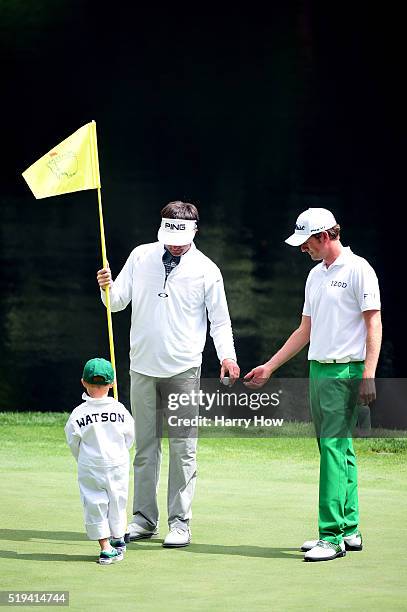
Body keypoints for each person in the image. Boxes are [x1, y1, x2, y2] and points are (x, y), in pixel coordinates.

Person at [97, 201, 239, 548]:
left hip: (184, 367)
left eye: (180, 237)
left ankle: (180, 523)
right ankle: (143, 520)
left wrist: (228, 357)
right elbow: (116, 304)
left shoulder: (207, 269)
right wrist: (106, 287)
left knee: (183, 449)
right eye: (169, 236)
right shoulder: (141, 256)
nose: (174, 244)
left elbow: (219, 320)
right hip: (142, 365)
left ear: (194, 231)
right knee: (145, 447)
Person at [244, 208, 382, 562]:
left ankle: (331, 536)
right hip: (318, 370)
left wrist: (368, 374)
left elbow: (373, 325)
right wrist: (271, 367)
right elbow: (304, 330)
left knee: (334, 450)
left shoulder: (359, 270)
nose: (303, 248)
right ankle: (349, 529)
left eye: (306, 242)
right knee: (337, 450)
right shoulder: (314, 275)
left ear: (324, 236)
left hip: (346, 371)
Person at [65, 358, 135, 565]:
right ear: (112, 384)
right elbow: (130, 436)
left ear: (83, 383)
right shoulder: (120, 409)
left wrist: (83, 459)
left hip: (90, 465)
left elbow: (73, 441)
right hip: (117, 463)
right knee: (118, 501)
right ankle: (118, 538)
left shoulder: (78, 413)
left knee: (95, 503)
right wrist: (121, 452)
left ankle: (106, 548)